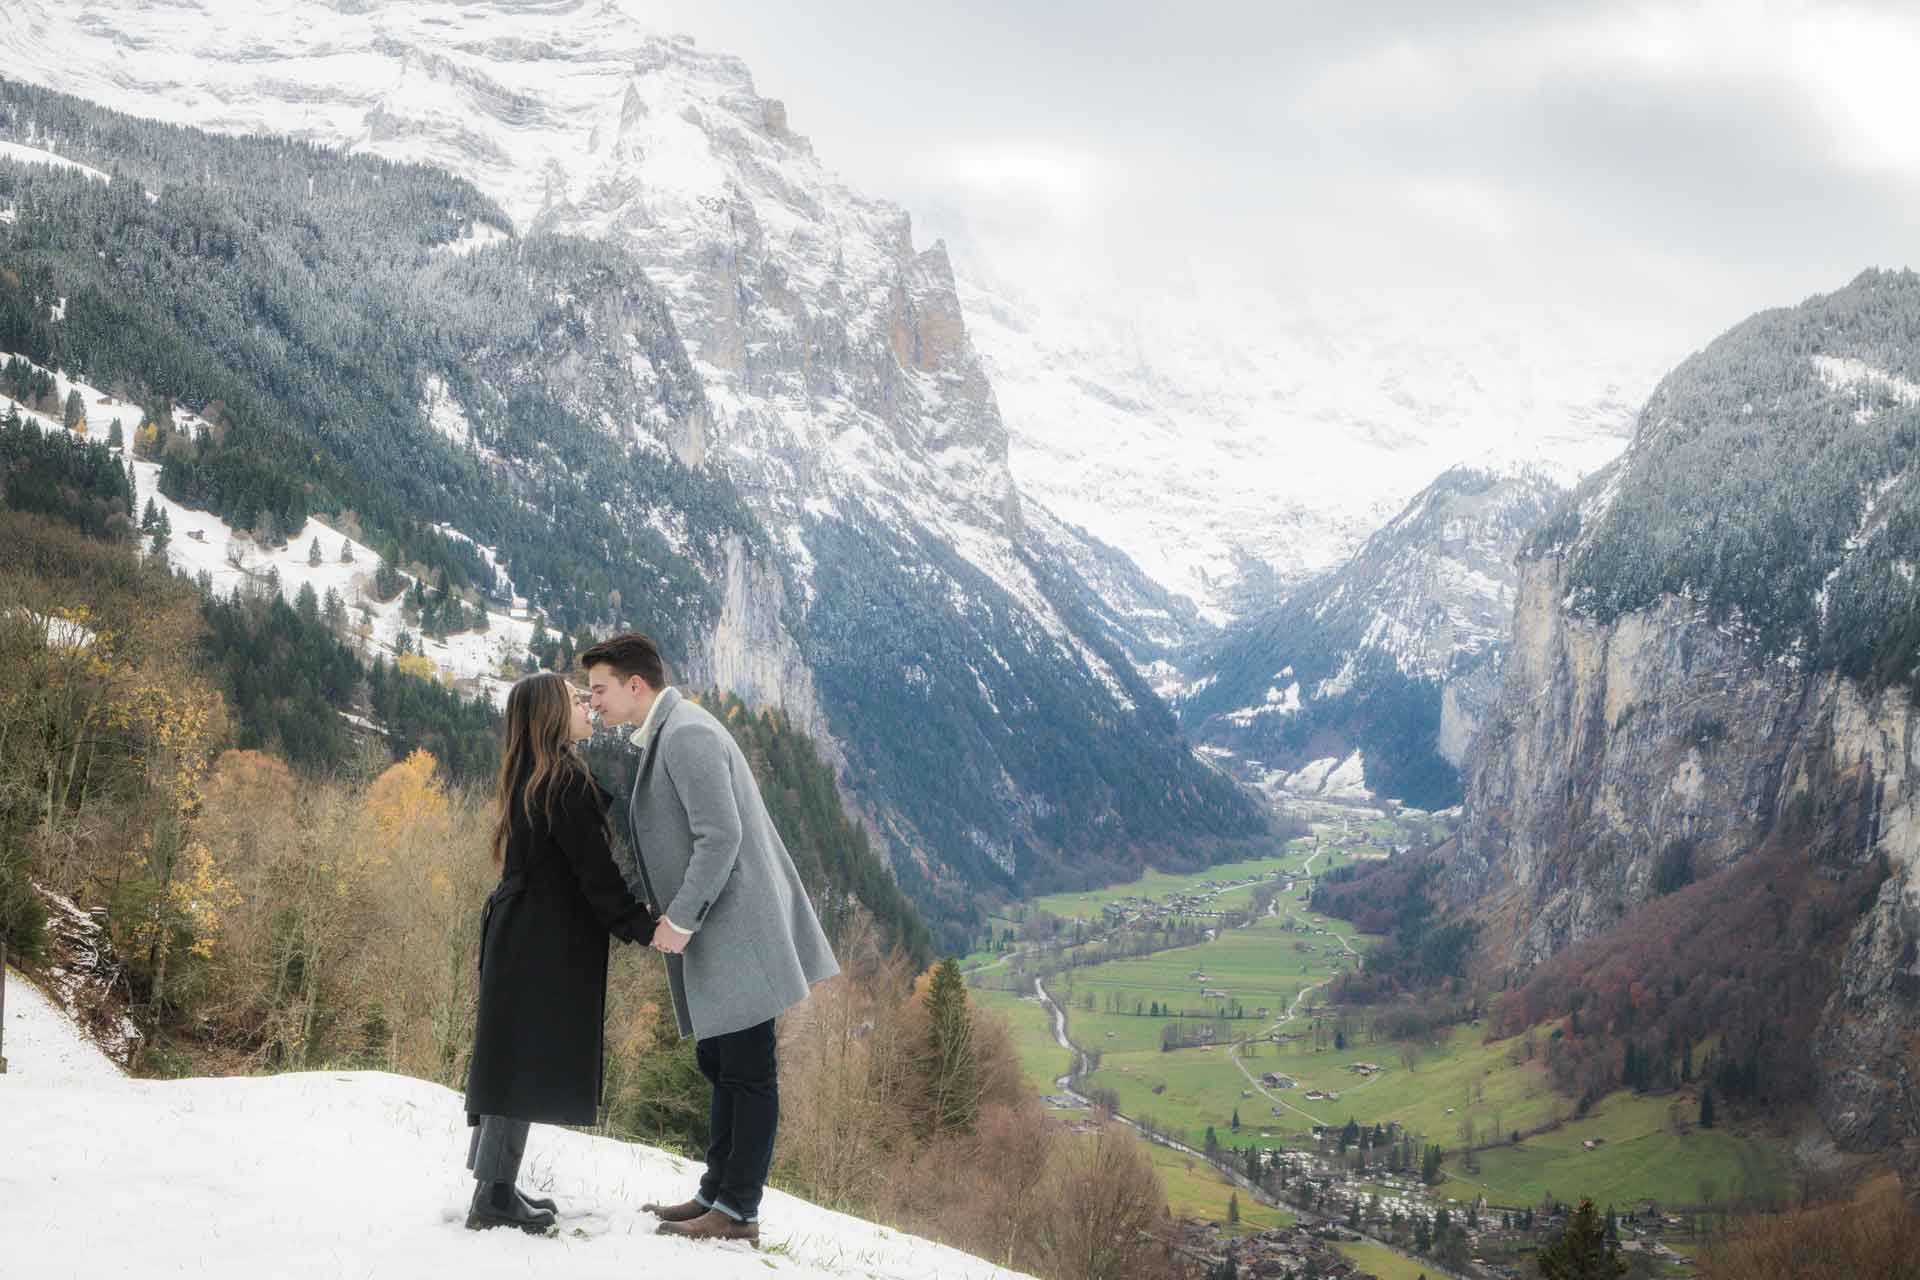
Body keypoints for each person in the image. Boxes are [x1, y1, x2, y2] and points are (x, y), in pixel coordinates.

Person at [580, 632, 839, 1246]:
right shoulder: (672, 730)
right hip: (721, 931)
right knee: (724, 1064)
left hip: (735, 931)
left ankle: (739, 1212)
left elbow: (719, 837)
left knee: (748, 1070)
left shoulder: (688, 734)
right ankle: (714, 1193)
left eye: (599, 689)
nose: (593, 703)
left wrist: (681, 919)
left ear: (634, 685)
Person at [463, 671, 656, 1233]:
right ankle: (493, 1198)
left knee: (510, 1060)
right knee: (516, 1063)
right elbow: (595, 875)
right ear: (551, 714)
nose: (587, 706)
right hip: (536, 938)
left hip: (521, 931)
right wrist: (642, 926)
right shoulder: (561, 782)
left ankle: (495, 1188)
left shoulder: (534, 775)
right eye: (575, 700)